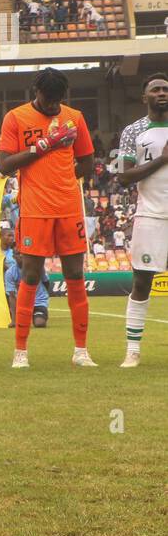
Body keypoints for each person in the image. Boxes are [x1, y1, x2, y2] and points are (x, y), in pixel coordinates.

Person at [0, 67, 96, 368]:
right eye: (48, 99)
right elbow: (4, 165)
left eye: (58, 100)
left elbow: (87, 161)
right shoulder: (16, 117)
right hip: (34, 210)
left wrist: (63, 179)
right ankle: (20, 352)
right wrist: (45, 145)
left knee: (75, 275)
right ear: (36, 92)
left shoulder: (74, 117)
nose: (53, 105)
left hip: (68, 208)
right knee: (30, 275)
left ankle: (81, 351)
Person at [115, 73, 168, 367]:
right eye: (156, 90)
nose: (162, 93)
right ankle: (132, 350)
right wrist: (162, 159)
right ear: (144, 97)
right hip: (150, 215)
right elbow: (123, 177)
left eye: (165, 89)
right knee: (142, 281)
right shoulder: (132, 131)